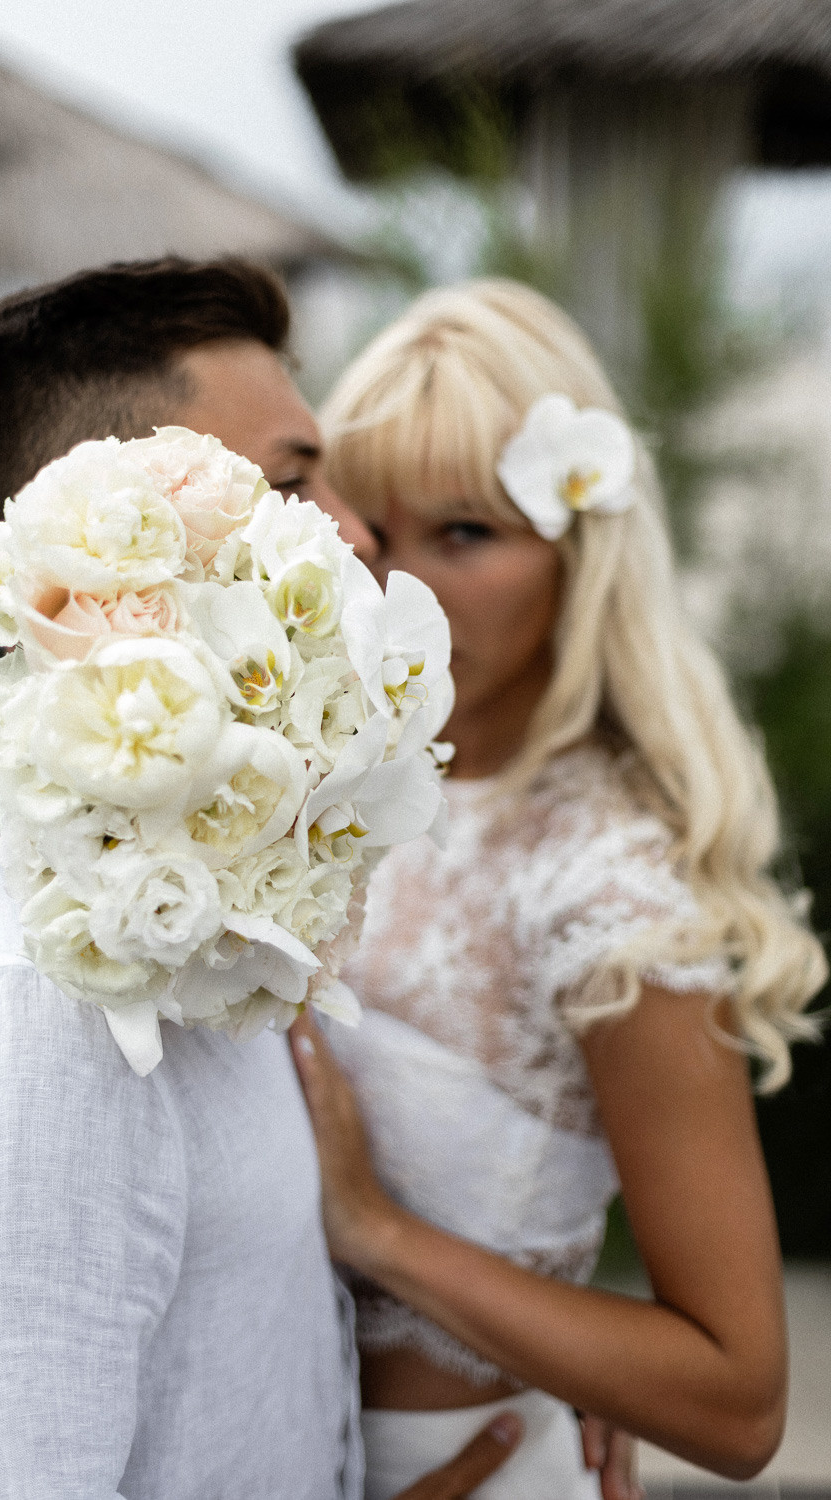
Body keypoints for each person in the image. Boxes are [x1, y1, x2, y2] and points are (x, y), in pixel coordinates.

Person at [0, 264, 639, 1500]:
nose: (359, 533)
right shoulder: (13, 1016)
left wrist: (533, 1359)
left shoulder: (210, 871)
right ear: (103, 539)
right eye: (289, 484)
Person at [279, 278, 827, 1499]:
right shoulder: (300, 782)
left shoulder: (610, 886)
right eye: (373, 530)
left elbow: (737, 1401)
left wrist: (379, 1232)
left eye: (465, 533)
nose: (404, 589)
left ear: (581, 554)